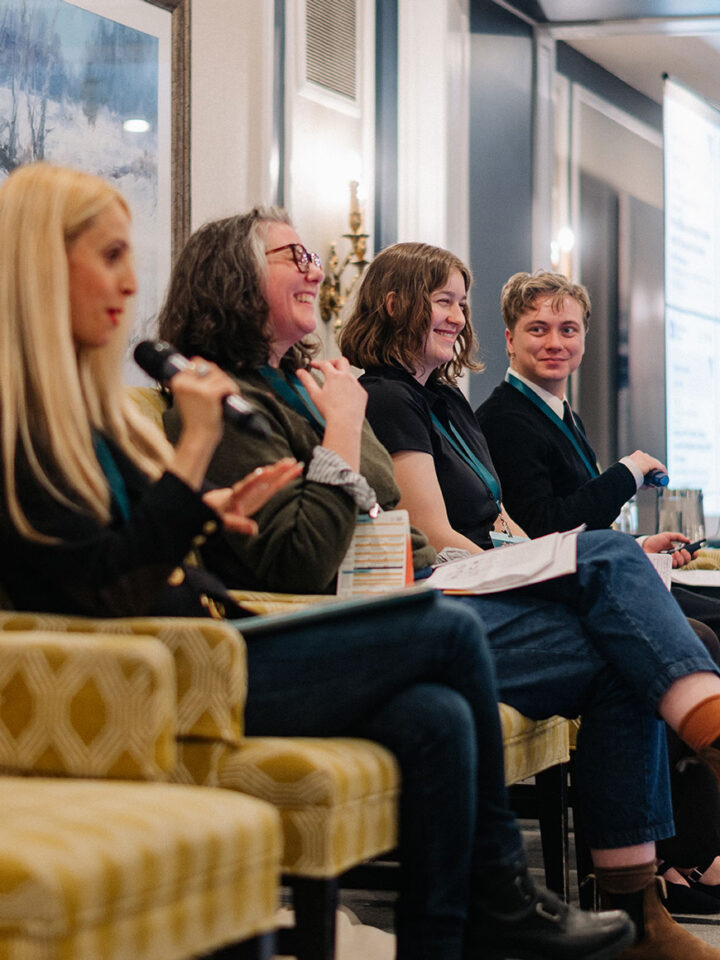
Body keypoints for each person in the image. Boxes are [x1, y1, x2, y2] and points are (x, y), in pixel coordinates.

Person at [0, 164, 636, 960]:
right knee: (447, 634)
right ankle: (502, 893)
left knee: (436, 717)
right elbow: (110, 583)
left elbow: (140, 547)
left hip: (213, 632)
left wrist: (199, 518)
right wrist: (196, 457)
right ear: (42, 267)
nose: (132, 281)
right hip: (170, 666)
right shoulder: (26, 425)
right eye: (111, 255)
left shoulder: (98, 413)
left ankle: (451, 940)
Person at [332, 237, 720, 958]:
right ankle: (676, 835)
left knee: (626, 622)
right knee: (617, 580)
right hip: (447, 584)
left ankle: (640, 909)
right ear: (395, 304)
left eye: (460, 302)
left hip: (487, 573)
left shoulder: (442, 397)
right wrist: (532, 566)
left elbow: (502, 516)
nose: (457, 317)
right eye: (444, 301)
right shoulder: (385, 398)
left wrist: (537, 556)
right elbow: (437, 531)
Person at [476, 269, 720, 903]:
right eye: (538, 329)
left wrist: (637, 547)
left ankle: (702, 848)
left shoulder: (559, 412)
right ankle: (679, 859)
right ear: (508, 338)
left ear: (584, 338)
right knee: (694, 638)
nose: (554, 341)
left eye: (568, 328)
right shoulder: (505, 418)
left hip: (581, 574)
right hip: (540, 591)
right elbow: (547, 527)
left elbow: (569, 527)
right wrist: (627, 471)